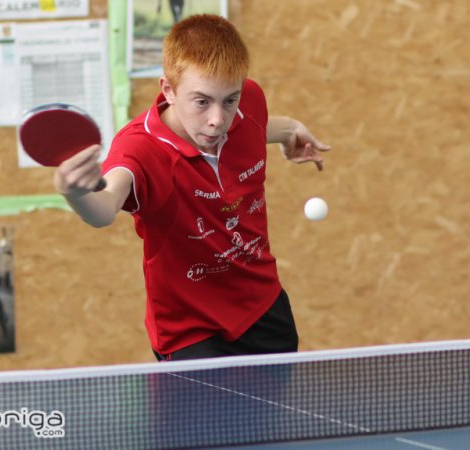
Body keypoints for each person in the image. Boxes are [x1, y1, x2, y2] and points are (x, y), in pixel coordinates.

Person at [53, 15, 330, 361]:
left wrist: (288, 130)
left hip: (263, 307)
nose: (217, 119)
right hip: (191, 331)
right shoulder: (139, 149)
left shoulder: (249, 100)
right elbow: (104, 208)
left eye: (229, 100)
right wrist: (75, 192)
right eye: (201, 102)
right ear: (168, 90)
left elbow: (252, 125)